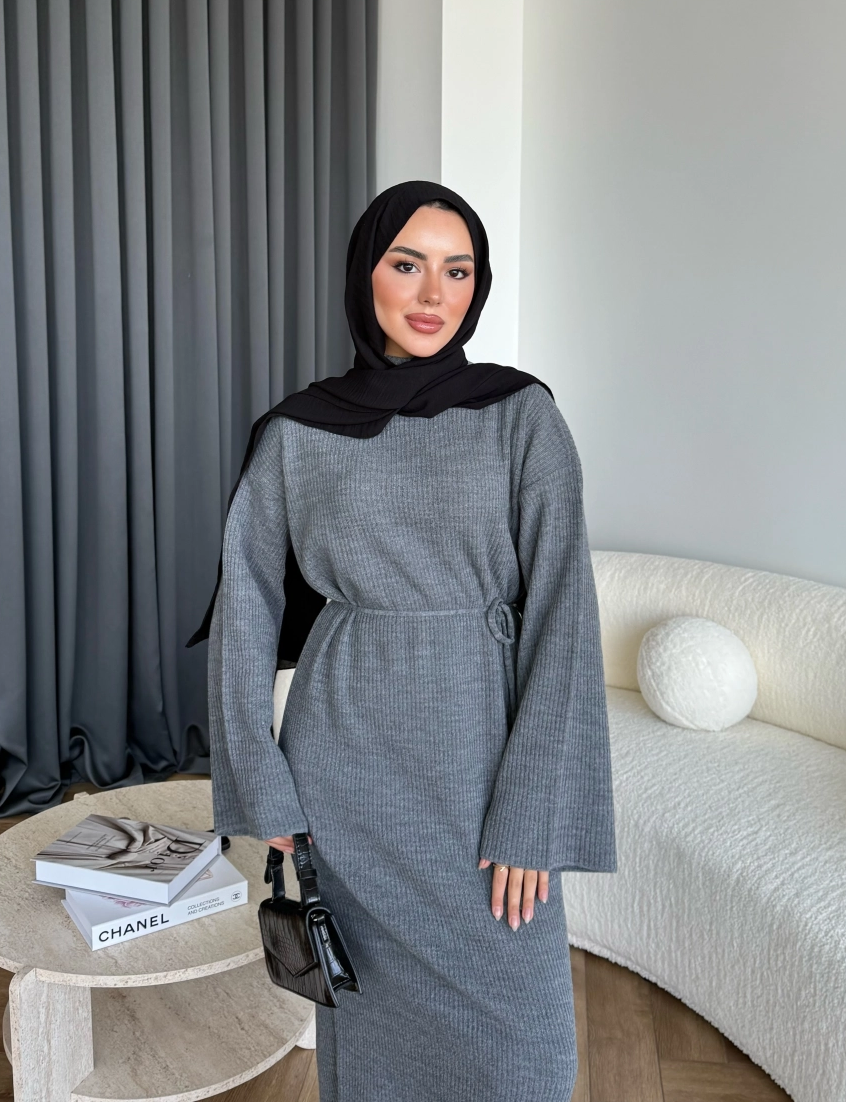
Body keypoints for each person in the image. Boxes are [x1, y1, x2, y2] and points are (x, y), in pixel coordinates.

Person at [201, 181, 616, 1102]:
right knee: (374, 1053)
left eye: (457, 270)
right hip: (345, 772)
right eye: (408, 264)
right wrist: (260, 777)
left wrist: (535, 814)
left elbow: (564, 621)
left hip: (482, 776)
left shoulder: (523, 417)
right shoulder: (298, 432)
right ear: (366, 275)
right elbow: (244, 611)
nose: (433, 293)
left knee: (528, 1060)